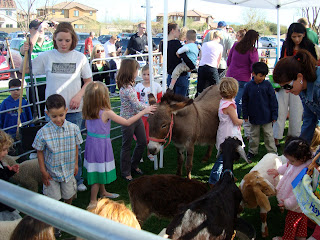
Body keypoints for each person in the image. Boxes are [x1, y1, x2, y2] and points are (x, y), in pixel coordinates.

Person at [24, 22, 93, 192]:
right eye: (60, 40)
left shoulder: (80, 57)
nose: (63, 43)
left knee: (74, 145)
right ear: (54, 38)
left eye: (67, 40)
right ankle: (53, 179)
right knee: (52, 146)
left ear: (73, 40)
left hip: (74, 109)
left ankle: (77, 179)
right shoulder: (47, 56)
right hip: (53, 111)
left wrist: (78, 95)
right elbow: (25, 69)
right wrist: (26, 52)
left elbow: (89, 81)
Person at [82, 81, 155, 208]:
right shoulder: (106, 112)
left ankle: (103, 192)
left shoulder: (88, 111)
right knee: (98, 173)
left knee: (98, 169)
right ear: (103, 97)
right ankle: (93, 201)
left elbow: (88, 128)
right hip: (101, 146)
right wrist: (143, 112)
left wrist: (101, 136)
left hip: (92, 144)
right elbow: (126, 122)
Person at [32, 94, 83, 205]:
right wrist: (43, 171)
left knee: (69, 194)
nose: (58, 119)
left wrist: (75, 164)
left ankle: (67, 209)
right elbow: (39, 152)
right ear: (47, 114)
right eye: (54, 116)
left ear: (66, 111)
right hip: (51, 173)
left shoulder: (74, 129)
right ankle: (54, 217)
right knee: (53, 199)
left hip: (68, 171)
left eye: (61, 115)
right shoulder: (42, 132)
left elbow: (76, 146)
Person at [273, 22, 318, 148]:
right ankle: (280, 137)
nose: (297, 39)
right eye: (294, 37)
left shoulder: (316, 89)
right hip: (293, 81)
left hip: (304, 85)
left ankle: (294, 136)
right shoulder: (286, 45)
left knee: (297, 112)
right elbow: (309, 120)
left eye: (299, 36)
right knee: (281, 110)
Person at [117, 58, 157, 181]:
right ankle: (126, 171)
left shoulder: (130, 85)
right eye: (137, 70)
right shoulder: (127, 88)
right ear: (131, 71)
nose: (137, 72)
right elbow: (137, 105)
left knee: (142, 141)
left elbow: (137, 105)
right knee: (127, 146)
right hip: (128, 120)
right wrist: (149, 108)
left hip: (136, 118)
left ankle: (133, 165)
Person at [268, 137, 312, 240]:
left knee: (291, 223)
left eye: (291, 160)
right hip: (301, 206)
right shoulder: (297, 163)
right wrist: (278, 171)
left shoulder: (303, 174)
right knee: (302, 219)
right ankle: (301, 236)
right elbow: (288, 167)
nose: (289, 162)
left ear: (302, 158)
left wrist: (287, 203)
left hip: (295, 205)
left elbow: (299, 193)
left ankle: (287, 238)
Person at [208, 77, 243, 185]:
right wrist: (244, 121)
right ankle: (213, 179)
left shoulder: (223, 101)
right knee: (223, 158)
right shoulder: (230, 106)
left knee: (228, 156)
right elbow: (236, 121)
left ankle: (228, 175)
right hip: (229, 134)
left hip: (224, 131)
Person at [242, 62, 278, 159]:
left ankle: (272, 152)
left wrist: (274, 115)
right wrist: (245, 115)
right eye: (260, 75)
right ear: (253, 74)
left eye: (264, 76)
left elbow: (273, 101)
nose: (262, 78)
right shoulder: (248, 86)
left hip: (267, 116)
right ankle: (252, 151)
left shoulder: (267, 85)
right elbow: (244, 101)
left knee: (269, 135)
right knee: (253, 135)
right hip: (254, 116)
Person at [19, 19, 55, 117]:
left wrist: (57, 28)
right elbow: (24, 50)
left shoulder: (49, 43)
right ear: (30, 30)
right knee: (36, 115)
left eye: (41, 28)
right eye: (36, 28)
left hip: (49, 84)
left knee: (51, 112)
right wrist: (38, 31)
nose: (40, 30)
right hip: (34, 86)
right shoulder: (26, 43)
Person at [226, 29, 259, 118]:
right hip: (243, 78)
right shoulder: (253, 50)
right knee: (238, 100)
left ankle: (227, 117)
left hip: (230, 76)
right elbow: (254, 66)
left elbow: (228, 60)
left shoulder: (236, 45)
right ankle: (236, 118)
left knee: (228, 99)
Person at [135, 64, 162, 161]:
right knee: (141, 136)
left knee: (150, 135)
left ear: (153, 74)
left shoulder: (157, 86)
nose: (146, 77)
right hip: (142, 115)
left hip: (152, 116)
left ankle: (149, 153)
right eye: (144, 74)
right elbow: (136, 100)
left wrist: (155, 107)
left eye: (148, 74)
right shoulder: (138, 86)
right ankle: (140, 154)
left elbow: (160, 99)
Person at [160, 23, 194, 96]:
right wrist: (192, 67)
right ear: (172, 30)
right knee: (180, 102)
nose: (179, 32)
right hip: (180, 76)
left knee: (171, 102)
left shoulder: (163, 44)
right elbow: (184, 56)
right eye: (178, 30)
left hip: (170, 75)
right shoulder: (176, 43)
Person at [0, 130, 20, 221]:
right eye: (4, 150)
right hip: (3, 209)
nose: (6, 153)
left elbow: (3, 176)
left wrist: (9, 171)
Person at [196, 30, 223, 96]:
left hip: (202, 67)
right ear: (218, 37)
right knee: (217, 88)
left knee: (200, 89)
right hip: (212, 67)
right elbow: (218, 59)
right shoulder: (219, 46)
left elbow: (201, 56)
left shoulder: (205, 44)